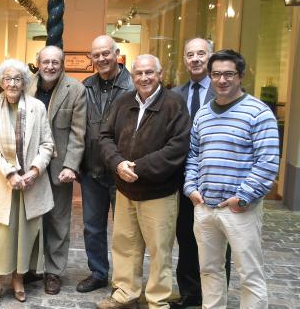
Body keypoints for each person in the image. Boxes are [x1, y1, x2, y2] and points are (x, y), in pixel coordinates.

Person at [185, 49, 279, 309]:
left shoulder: (258, 113)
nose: (222, 80)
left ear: (241, 76)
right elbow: (193, 154)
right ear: (210, 76)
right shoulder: (203, 115)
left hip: (240, 209)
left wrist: (243, 197)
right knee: (209, 270)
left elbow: (268, 163)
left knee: (249, 274)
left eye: (229, 74)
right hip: (205, 207)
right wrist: (191, 188)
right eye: (216, 74)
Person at [96, 54, 190, 309]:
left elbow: (177, 147)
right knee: (125, 244)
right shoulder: (123, 101)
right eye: (139, 73)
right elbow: (104, 137)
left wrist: (138, 168)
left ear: (159, 74)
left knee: (160, 250)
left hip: (159, 192)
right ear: (132, 75)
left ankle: (158, 299)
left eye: (150, 72)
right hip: (125, 190)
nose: (144, 77)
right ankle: (126, 291)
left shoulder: (174, 104)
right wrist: (117, 163)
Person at [0, 59, 55, 308]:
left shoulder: (37, 107)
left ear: (25, 82)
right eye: (8, 79)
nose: (13, 83)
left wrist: (34, 171)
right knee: (5, 234)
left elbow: (48, 144)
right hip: (6, 182)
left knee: (27, 232)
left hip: (31, 183)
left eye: (18, 79)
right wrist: (10, 173)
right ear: (1, 82)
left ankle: (18, 278)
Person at [170, 37, 230, 308]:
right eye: (190, 54)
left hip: (216, 181)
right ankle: (190, 293)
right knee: (186, 238)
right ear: (184, 59)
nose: (195, 59)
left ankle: (214, 296)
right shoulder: (177, 94)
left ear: (211, 56)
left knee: (218, 244)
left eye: (201, 54)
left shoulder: (224, 93)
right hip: (183, 181)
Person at [26, 45, 86, 295]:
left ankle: (53, 272)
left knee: (58, 221)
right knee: (29, 218)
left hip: (60, 168)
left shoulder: (76, 90)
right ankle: (27, 268)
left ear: (62, 65)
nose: (50, 66)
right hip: (29, 166)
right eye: (46, 61)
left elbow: (78, 133)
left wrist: (72, 165)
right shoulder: (26, 84)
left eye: (55, 62)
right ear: (38, 63)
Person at [77, 35, 134, 293]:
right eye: (96, 55)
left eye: (105, 53)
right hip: (92, 170)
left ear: (117, 53)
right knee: (92, 227)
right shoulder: (86, 86)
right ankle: (98, 272)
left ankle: (124, 280)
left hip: (122, 171)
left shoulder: (133, 85)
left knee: (125, 231)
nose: (101, 59)